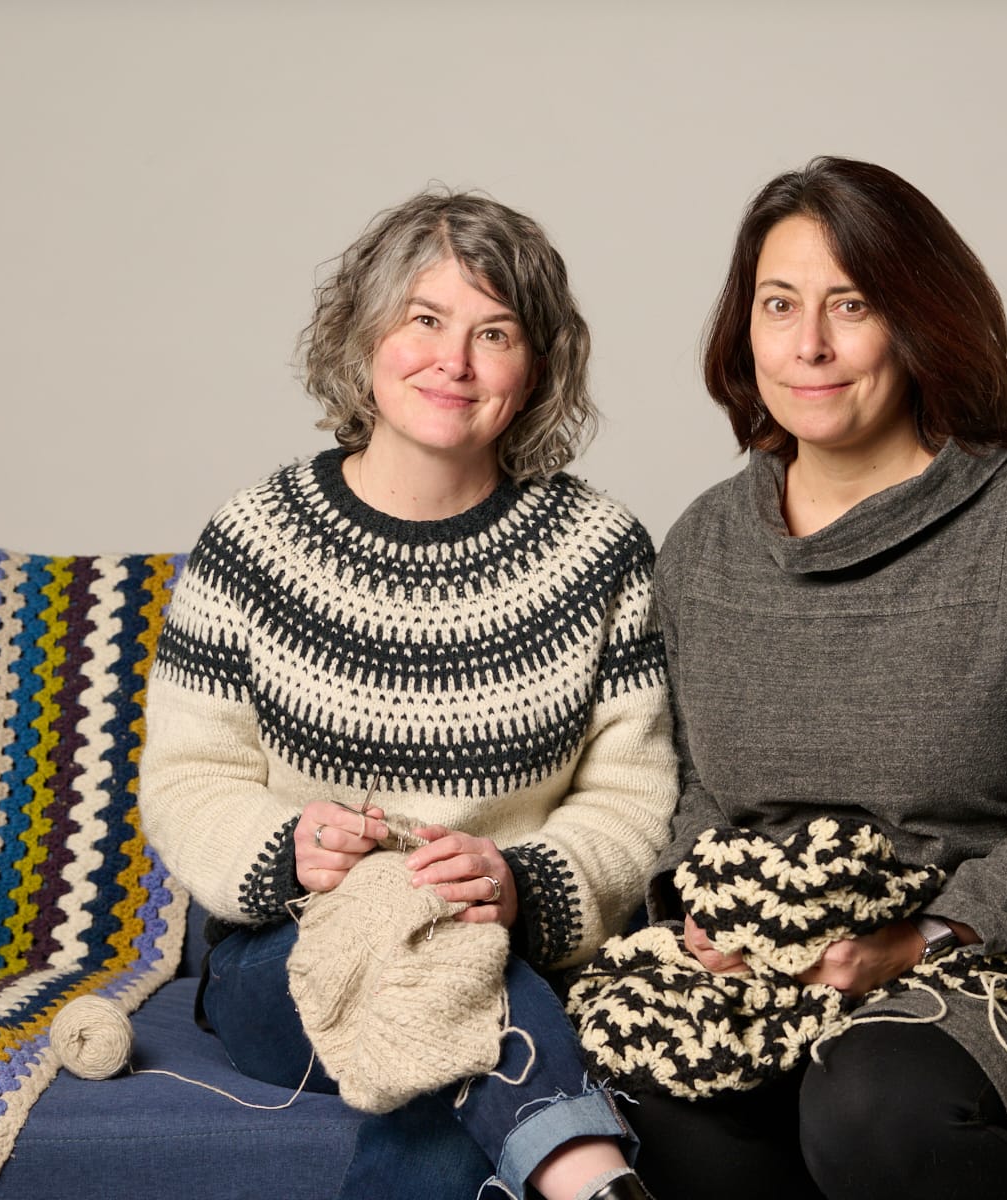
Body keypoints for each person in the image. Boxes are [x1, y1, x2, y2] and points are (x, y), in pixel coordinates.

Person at [624, 157, 1007, 1199]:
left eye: (853, 306)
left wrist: (918, 939)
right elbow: (702, 791)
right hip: (776, 964)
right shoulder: (702, 546)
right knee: (653, 1107)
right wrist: (700, 909)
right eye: (779, 304)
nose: (809, 346)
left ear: (924, 322)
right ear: (740, 331)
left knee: (870, 1105)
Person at [138, 189, 673, 1200]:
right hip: (285, 957)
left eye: (495, 333)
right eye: (424, 320)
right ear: (364, 336)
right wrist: (287, 846)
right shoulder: (254, 540)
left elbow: (634, 798)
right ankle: (584, 1169)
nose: (454, 361)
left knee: (456, 969)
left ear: (539, 368)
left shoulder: (600, 551)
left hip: (513, 938)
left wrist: (521, 880)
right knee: (420, 934)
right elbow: (189, 774)